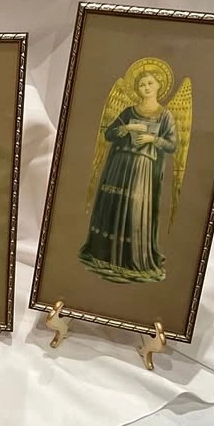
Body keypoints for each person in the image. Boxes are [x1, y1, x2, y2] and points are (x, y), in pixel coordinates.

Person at [79, 70, 178, 283]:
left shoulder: (165, 116)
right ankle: (102, 255)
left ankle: (129, 260)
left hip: (143, 168)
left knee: (135, 210)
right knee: (113, 206)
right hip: (119, 165)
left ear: (159, 85)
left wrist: (152, 139)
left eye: (150, 83)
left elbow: (172, 145)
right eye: (142, 85)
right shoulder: (128, 111)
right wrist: (127, 128)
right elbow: (109, 134)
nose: (146, 88)